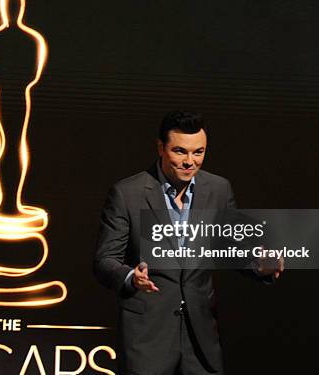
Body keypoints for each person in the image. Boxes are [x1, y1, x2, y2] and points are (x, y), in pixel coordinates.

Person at [93, 110, 282, 374]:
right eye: (180, 151)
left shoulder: (218, 189)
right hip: (148, 336)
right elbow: (104, 260)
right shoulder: (128, 194)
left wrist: (258, 265)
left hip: (201, 336)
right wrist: (130, 278)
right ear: (161, 147)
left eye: (199, 152)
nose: (190, 162)